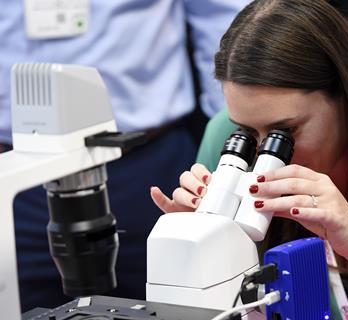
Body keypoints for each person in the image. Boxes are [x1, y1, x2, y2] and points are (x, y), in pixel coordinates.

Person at [150, 0, 348, 319]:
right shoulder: (225, 134)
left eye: (286, 132)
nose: (266, 153)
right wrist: (199, 246)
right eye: (248, 132)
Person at [0, 0, 251, 312]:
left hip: (146, 163)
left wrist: (239, 135)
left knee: (179, 303)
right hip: (15, 172)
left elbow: (219, 15)